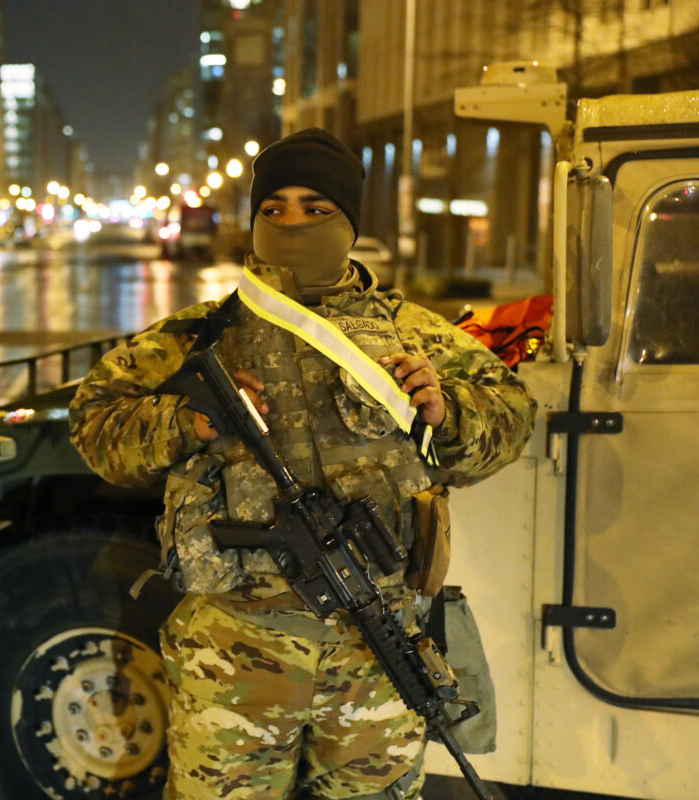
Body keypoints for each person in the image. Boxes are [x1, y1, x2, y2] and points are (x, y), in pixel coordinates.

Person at [68, 128, 535, 800]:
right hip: (234, 652)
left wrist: (446, 412)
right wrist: (185, 422)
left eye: (316, 209)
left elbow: (512, 417)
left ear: (350, 221)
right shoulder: (201, 334)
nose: (292, 224)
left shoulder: (413, 331)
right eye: (274, 209)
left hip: (377, 648)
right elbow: (94, 424)